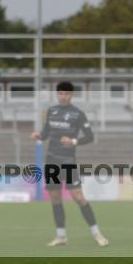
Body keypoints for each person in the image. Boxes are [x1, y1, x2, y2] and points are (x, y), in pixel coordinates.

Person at [30, 81, 108, 247]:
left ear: (71, 95)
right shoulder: (51, 111)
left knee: (78, 196)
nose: (63, 96)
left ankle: (97, 234)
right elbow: (46, 133)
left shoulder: (77, 114)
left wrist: (73, 141)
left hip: (68, 161)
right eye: (60, 93)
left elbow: (90, 137)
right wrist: (39, 135)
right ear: (57, 94)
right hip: (52, 161)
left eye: (66, 94)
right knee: (55, 198)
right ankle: (61, 236)